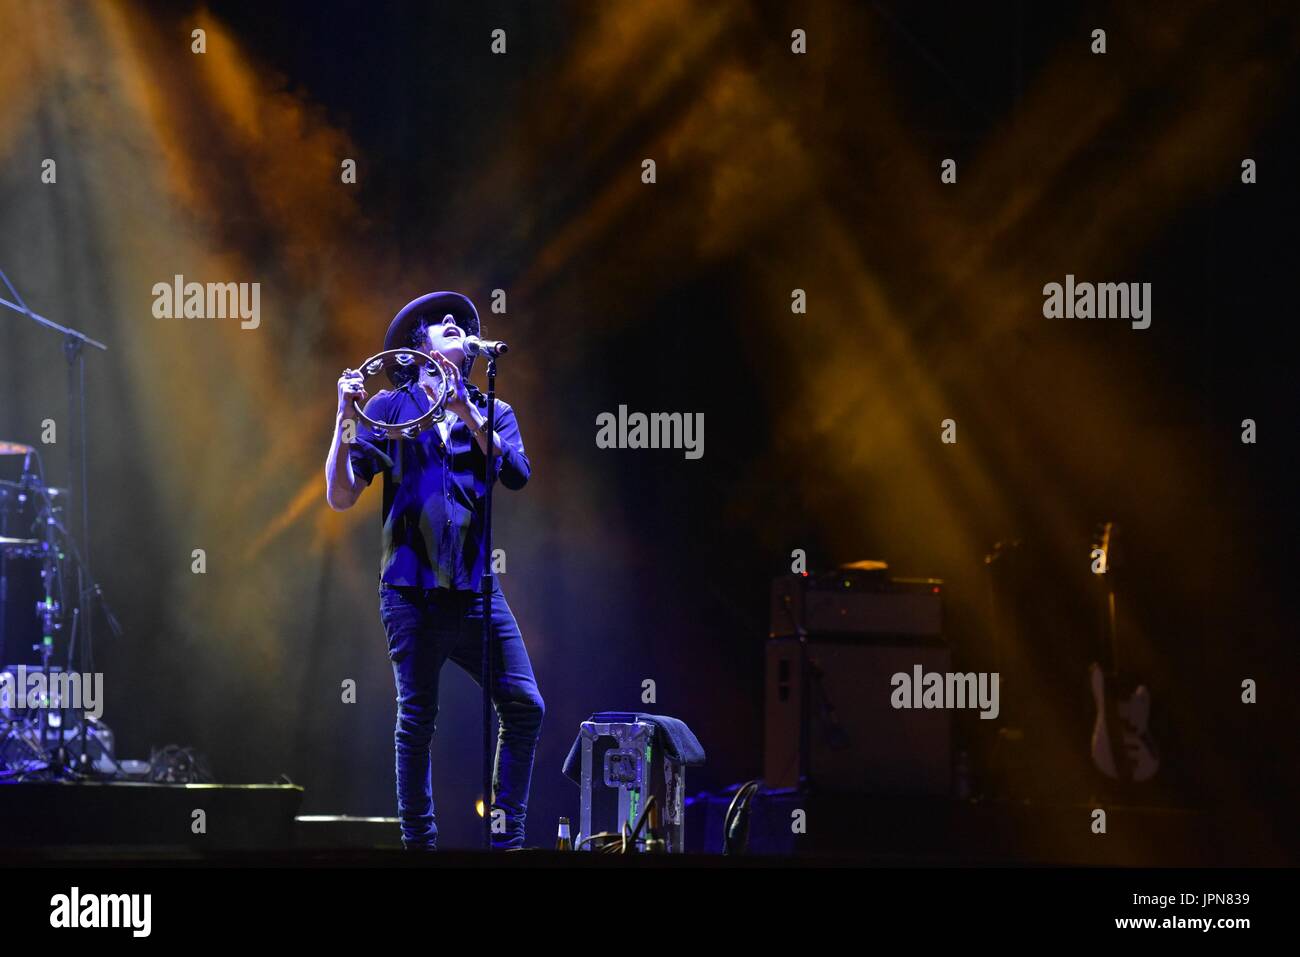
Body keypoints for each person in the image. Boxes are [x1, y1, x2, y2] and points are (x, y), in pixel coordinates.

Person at [324, 291, 543, 850]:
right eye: (441, 324)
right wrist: (345, 415)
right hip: (411, 592)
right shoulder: (391, 408)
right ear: (419, 347)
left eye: (460, 324)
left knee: (524, 705)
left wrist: (468, 414)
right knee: (417, 719)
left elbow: (516, 473)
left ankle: (507, 838)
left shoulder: (493, 411)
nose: (455, 325)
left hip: (475, 592)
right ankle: (419, 845)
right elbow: (341, 494)